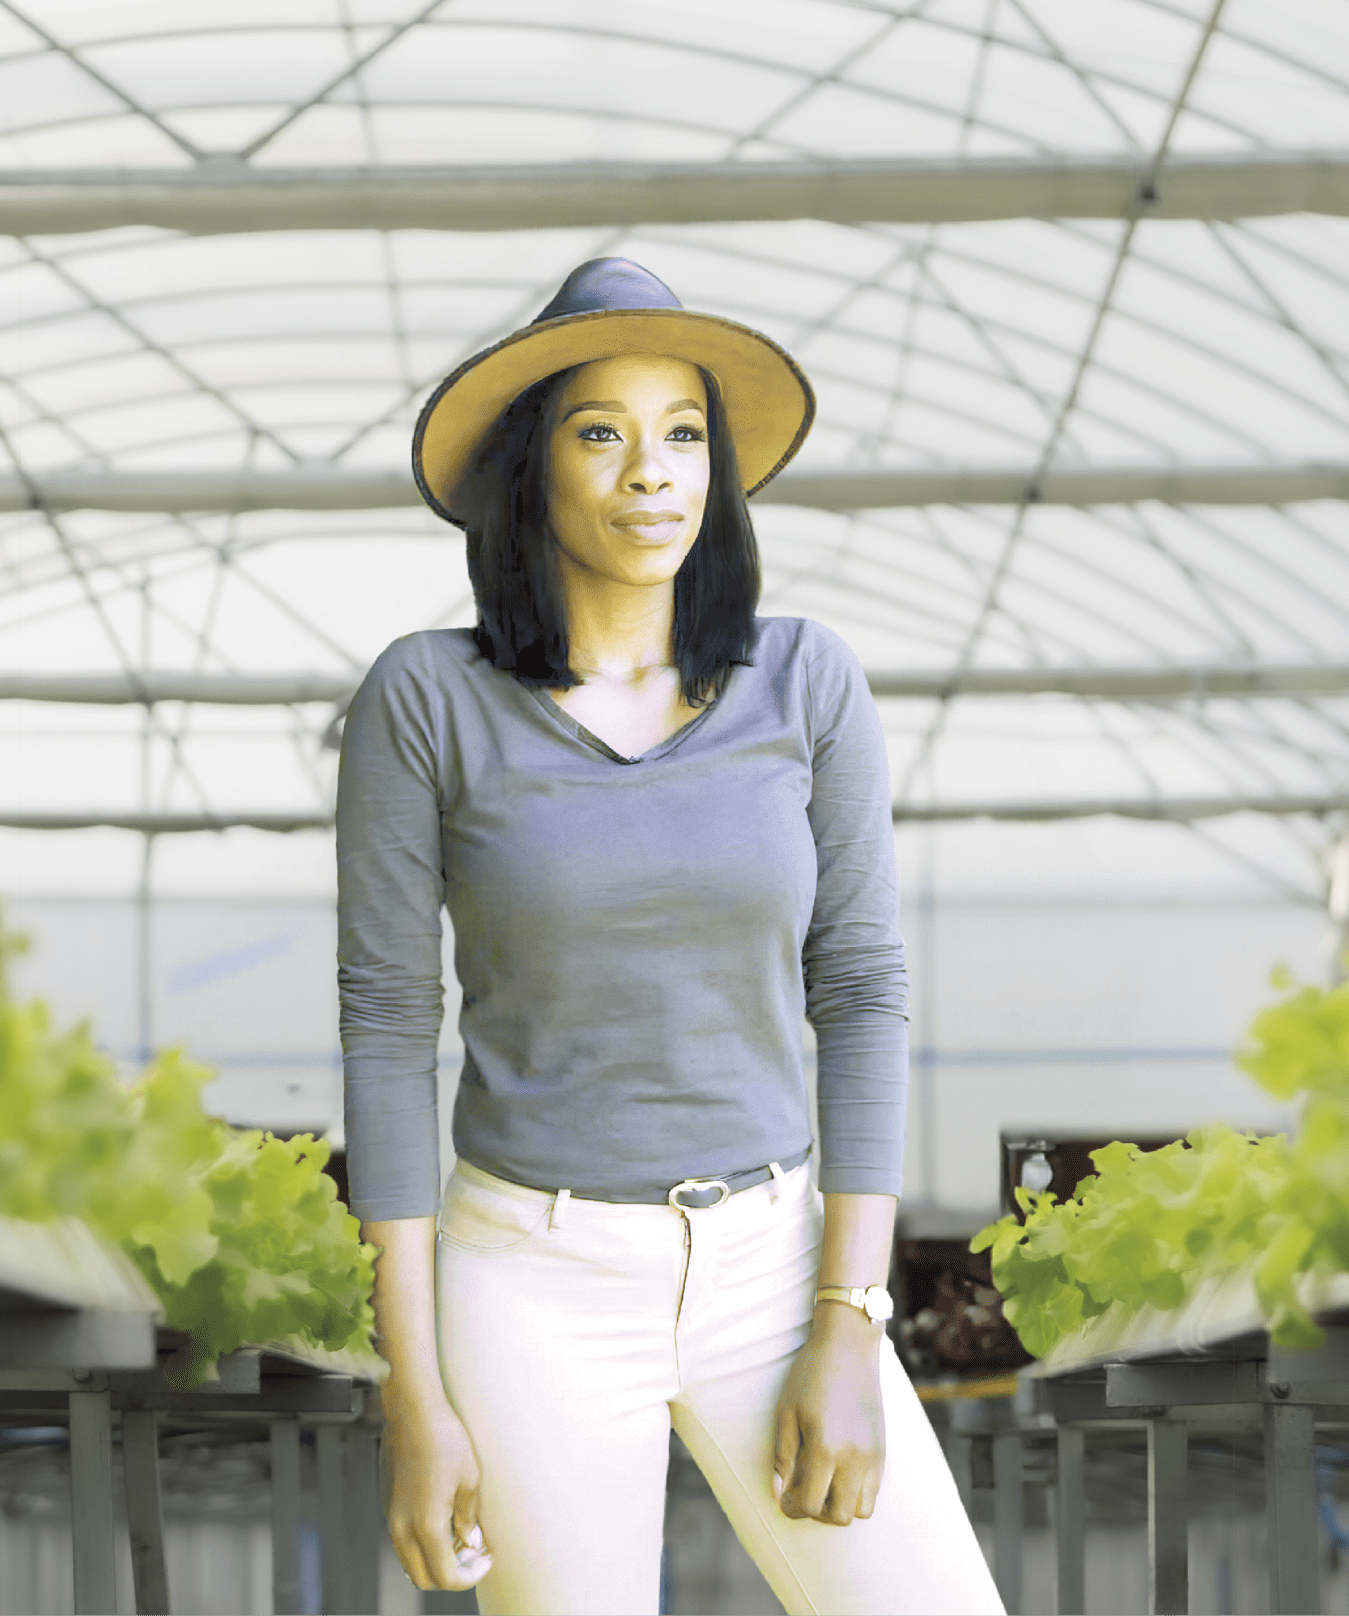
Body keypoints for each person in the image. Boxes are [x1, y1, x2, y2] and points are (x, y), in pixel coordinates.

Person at [336, 257, 1003, 1615]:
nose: (654, 472)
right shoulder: (425, 701)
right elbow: (389, 1032)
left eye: (684, 433)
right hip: (531, 1281)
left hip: (773, 1261)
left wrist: (849, 1321)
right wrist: (417, 1395)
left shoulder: (805, 681)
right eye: (603, 432)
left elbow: (864, 993)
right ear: (533, 471)